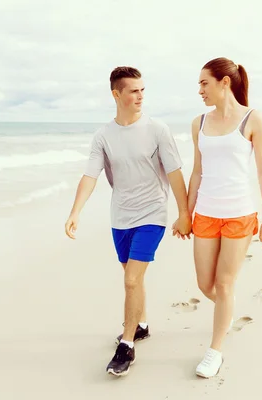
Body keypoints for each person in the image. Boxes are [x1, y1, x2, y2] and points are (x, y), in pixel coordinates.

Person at [65, 66, 192, 377]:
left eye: (142, 90)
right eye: (134, 90)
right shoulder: (103, 136)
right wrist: (75, 211)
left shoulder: (157, 130)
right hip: (120, 216)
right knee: (132, 277)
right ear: (116, 94)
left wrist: (184, 213)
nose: (140, 96)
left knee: (132, 280)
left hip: (152, 214)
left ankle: (127, 344)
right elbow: (90, 175)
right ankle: (143, 325)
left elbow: (175, 174)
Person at [173, 57, 262, 378]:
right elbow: (197, 171)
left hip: (239, 215)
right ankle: (225, 311)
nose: (200, 90)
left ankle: (215, 351)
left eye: (204, 83)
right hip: (205, 213)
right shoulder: (199, 123)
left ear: (225, 82)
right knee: (206, 284)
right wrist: (185, 214)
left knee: (224, 282)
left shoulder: (253, 119)